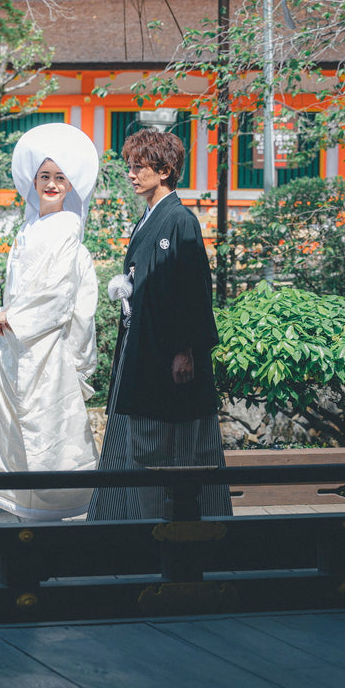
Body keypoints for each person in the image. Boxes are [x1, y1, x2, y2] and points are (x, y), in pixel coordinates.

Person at [88, 129, 233, 520]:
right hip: (143, 346)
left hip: (169, 352)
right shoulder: (148, 220)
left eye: (140, 167)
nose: (132, 175)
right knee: (142, 439)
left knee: (177, 444)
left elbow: (192, 287)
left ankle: (177, 527)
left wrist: (185, 348)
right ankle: (137, 523)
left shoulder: (180, 220)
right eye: (130, 167)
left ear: (165, 170)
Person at [0, 123, 100, 520]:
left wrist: (13, 315)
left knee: (47, 424)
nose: (51, 184)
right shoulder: (29, 226)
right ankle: (17, 499)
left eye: (59, 177)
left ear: (71, 184)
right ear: (33, 181)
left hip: (44, 344)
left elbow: (58, 294)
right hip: (15, 341)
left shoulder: (67, 230)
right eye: (44, 177)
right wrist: (9, 316)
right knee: (12, 425)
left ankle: (58, 505)